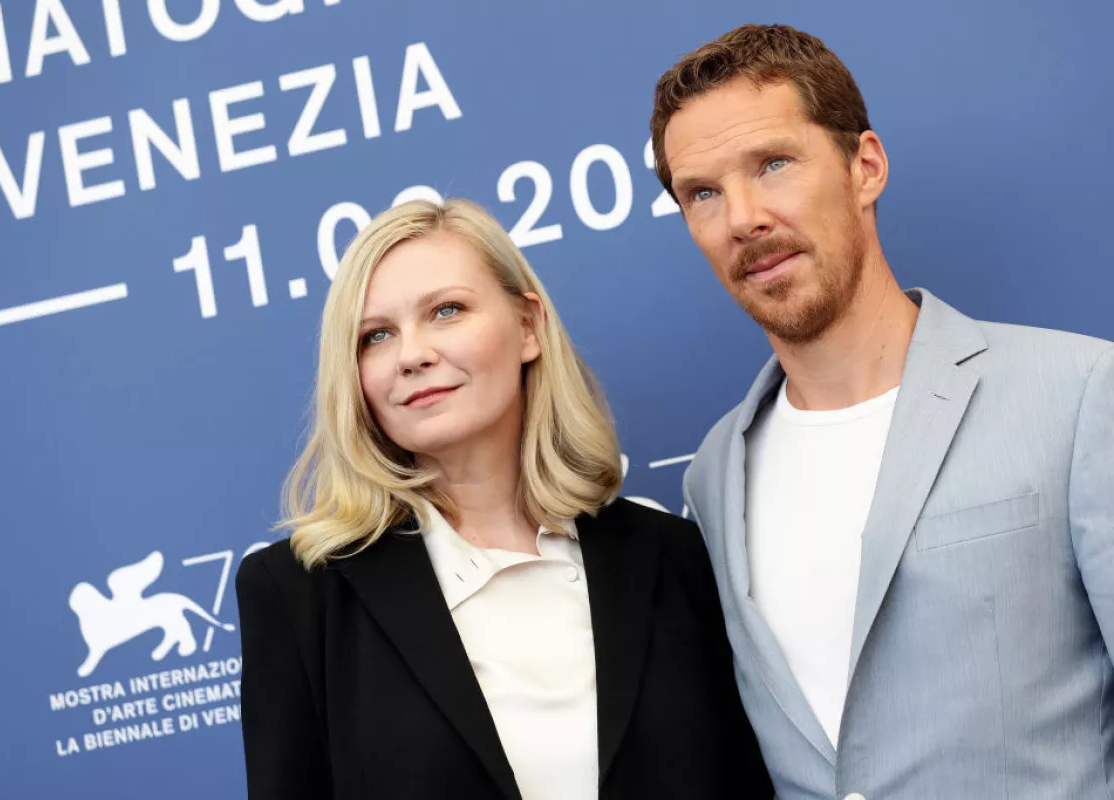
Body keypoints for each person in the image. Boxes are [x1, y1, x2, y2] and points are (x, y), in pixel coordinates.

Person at [650, 23, 1114, 800]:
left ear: (865, 167)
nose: (743, 218)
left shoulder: (1079, 393)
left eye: (773, 164)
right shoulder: (714, 473)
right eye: (703, 193)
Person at [234, 198, 771, 799]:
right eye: (376, 335)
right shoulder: (299, 595)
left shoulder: (667, 555)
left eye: (446, 310)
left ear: (527, 327)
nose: (411, 355)